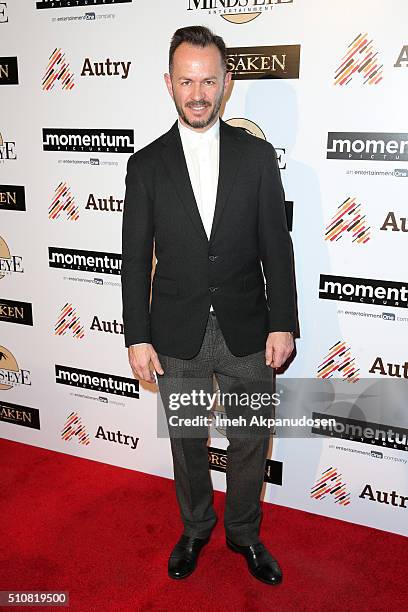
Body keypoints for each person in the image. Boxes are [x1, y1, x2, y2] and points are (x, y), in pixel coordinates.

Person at [121, 25, 297, 585]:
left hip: (248, 326)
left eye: (209, 81)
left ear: (227, 83)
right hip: (178, 331)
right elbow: (133, 257)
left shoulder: (257, 156)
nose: (199, 93)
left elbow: (278, 244)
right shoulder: (146, 164)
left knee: (250, 439)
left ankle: (244, 533)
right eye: (187, 81)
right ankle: (196, 527)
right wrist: (137, 334)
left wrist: (284, 321)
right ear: (169, 84)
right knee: (187, 439)